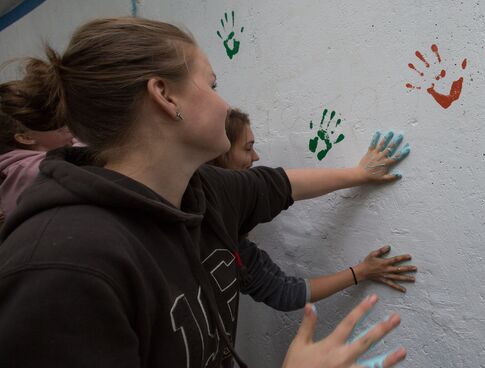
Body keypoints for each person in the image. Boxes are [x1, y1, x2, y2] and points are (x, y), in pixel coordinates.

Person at [0, 17, 410, 368]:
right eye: (212, 84)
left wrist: (358, 174)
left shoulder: (201, 190)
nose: (223, 102)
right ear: (165, 95)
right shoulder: (61, 267)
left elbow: (280, 184)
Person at [211, 108, 417, 312]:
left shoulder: (233, 243)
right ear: (219, 155)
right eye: (248, 148)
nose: (256, 157)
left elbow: (284, 293)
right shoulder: (205, 220)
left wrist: (362, 272)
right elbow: (279, 187)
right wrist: (359, 174)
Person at [0, 103, 74, 217]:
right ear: (26, 138)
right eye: (59, 129)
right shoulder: (32, 168)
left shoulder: (57, 145)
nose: (68, 129)